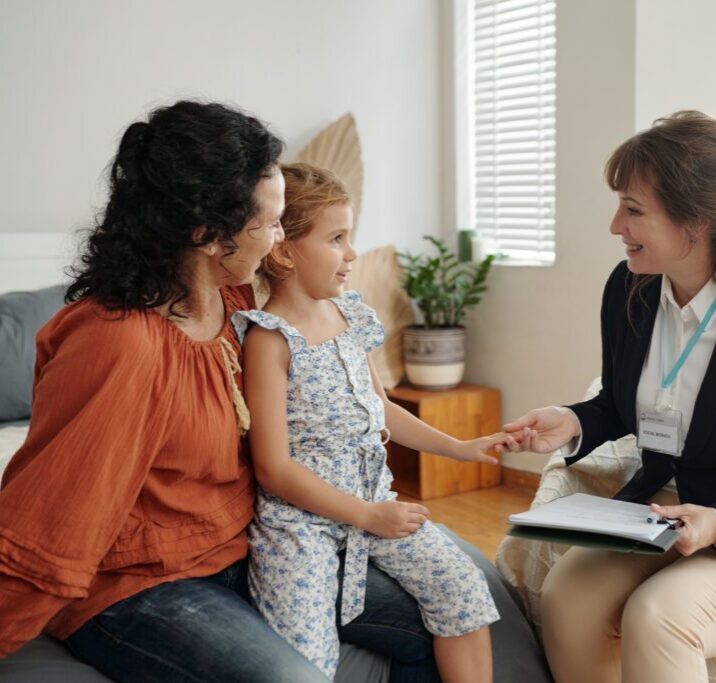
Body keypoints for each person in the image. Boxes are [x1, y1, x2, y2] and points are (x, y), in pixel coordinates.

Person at [0, 101, 440, 682]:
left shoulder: (234, 305)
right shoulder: (119, 345)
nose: (279, 239)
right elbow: (51, 520)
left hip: (243, 545)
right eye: (270, 224)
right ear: (208, 234)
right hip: (141, 584)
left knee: (449, 607)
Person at [502, 111, 716, 683]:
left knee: (658, 617)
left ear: (700, 219)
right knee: (566, 595)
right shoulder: (628, 290)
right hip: (656, 515)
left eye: (634, 209)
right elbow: (622, 403)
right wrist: (571, 420)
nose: (616, 224)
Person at [233, 162, 502, 681]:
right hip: (301, 526)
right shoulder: (269, 341)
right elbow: (273, 469)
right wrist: (365, 516)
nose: (352, 253)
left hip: (376, 503)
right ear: (284, 251)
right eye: (336, 238)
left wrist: (460, 448)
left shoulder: (350, 315)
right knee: (306, 656)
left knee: (463, 587)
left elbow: (382, 410)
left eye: (349, 237)